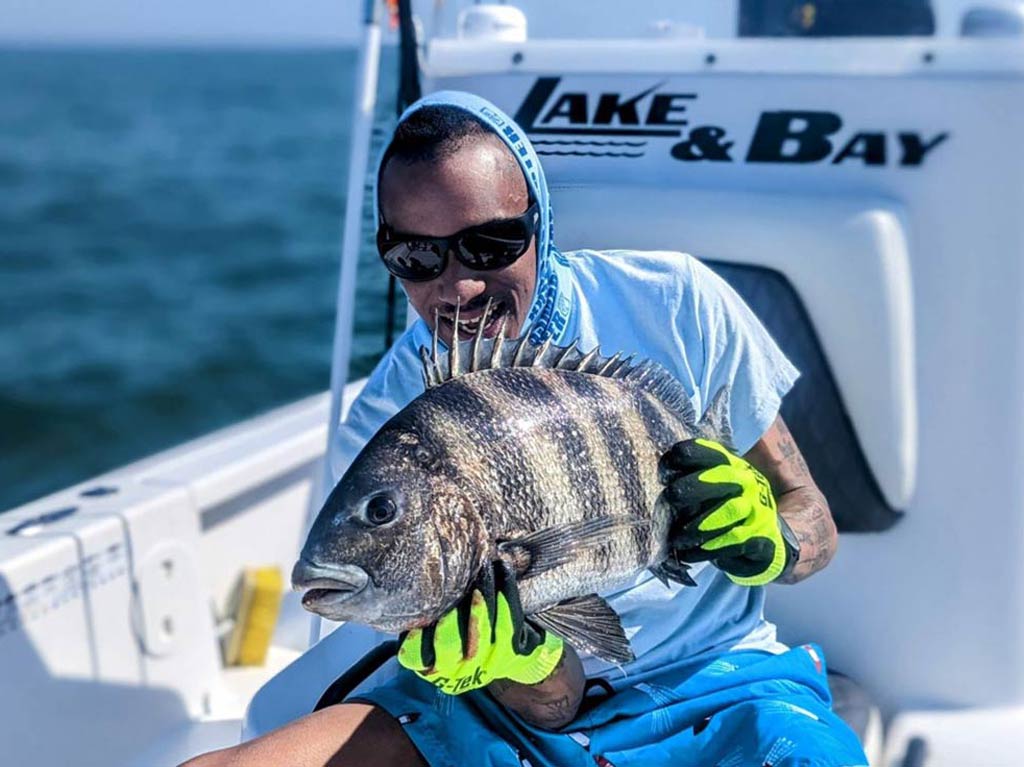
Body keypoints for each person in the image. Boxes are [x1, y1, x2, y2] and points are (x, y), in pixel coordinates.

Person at [184, 92, 867, 767]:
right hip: (505, 714)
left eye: (489, 244)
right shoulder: (386, 423)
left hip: (723, 680)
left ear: (539, 220)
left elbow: (813, 518)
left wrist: (772, 539)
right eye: (417, 256)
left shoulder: (678, 304)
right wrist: (520, 662)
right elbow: (554, 703)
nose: (458, 289)